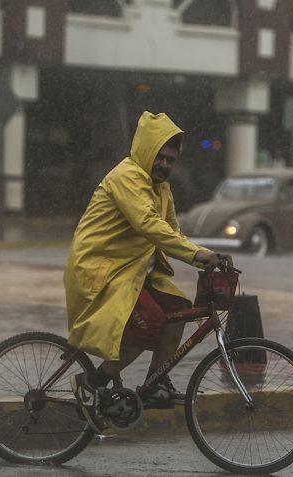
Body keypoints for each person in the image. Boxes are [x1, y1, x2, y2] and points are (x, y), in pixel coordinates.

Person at [63, 111, 230, 432]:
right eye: (161, 156)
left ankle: (155, 382)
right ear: (145, 150)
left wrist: (203, 257)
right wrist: (199, 254)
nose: (165, 165)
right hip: (102, 270)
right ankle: (91, 382)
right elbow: (148, 225)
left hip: (130, 272)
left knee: (179, 310)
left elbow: (171, 232)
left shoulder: (161, 189)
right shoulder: (127, 176)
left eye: (172, 159)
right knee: (151, 321)